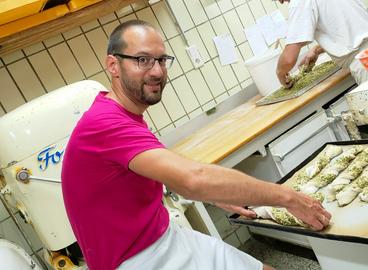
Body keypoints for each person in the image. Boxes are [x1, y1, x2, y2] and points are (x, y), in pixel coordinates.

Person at [61, 19, 331, 270]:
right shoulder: (105, 123)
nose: (156, 71)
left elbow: (150, 180)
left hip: (165, 236)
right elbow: (193, 179)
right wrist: (290, 198)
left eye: (161, 60)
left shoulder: (123, 114)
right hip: (138, 260)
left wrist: (218, 195)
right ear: (113, 65)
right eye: (142, 60)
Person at [276, 0, 368, 86]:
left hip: (367, 65)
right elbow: (347, 30)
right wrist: (317, 50)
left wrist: (280, 73)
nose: (281, 2)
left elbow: (288, 59)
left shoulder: (299, 2)